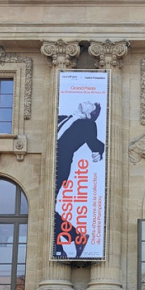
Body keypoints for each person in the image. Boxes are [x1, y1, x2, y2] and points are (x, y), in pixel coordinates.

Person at [54, 101, 104, 259]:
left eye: (91, 105)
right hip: (47, 164)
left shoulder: (88, 125)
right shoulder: (62, 117)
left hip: (59, 166)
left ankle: (71, 240)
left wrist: (101, 149)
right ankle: (69, 241)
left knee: (47, 207)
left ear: (89, 114)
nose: (87, 102)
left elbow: (94, 143)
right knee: (47, 208)